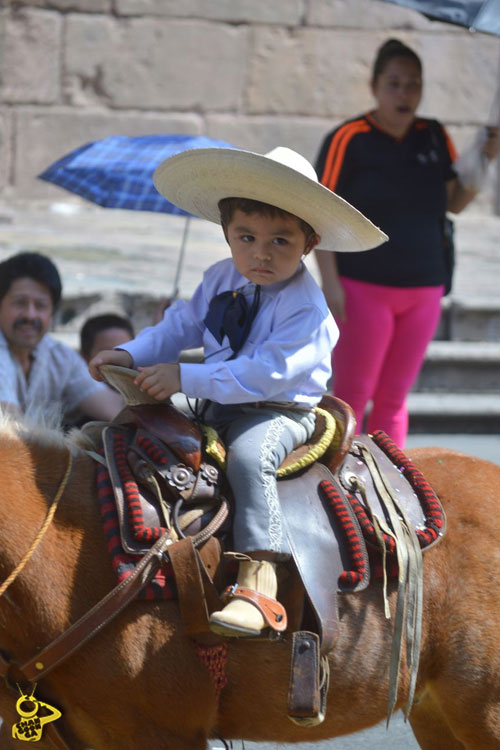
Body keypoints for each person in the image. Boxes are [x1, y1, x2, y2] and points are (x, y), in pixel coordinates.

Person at [88, 145, 386, 638]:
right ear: (227, 233)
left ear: (309, 243)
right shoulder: (221, 277)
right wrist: (132, 355)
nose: (261, 253)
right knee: (139, 418)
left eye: (281, 241)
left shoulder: (307, 310)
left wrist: (184, 378)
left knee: (250, 458)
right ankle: (117, 518)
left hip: (276, 411)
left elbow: (263, 374)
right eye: (246, 237)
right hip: (214, 399)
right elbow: (182, 323)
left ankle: (259, 580)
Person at [314, 38, 500, 448]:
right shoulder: (348, 138)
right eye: (394, 83)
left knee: (394, 399)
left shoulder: (432, 134)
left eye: (413, 84)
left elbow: (454, 203)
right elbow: (320, 213)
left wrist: (484, 159)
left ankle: (389, 489)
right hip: (363, 287)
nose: (404, 93)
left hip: (425, 288)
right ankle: (336, 486)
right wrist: (330, 284)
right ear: (375, 85)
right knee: (352, 393)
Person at [0, 251, 123, 422]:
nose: (30, 315)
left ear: (52, 312)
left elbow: (115, 409)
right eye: (20, 303)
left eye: (40, 305)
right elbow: (10, 429)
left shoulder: (59, 357)